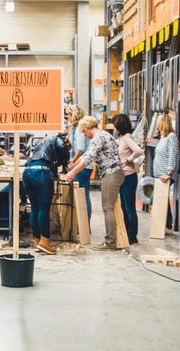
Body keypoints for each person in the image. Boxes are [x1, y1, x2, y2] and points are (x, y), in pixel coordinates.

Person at [65, 116, 124, 251]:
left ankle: (110, 242)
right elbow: (86, 156)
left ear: (87, 128)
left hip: (111, 173)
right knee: (109, 207)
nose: (84, 134)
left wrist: (72, 172)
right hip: (113, 173)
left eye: (84, 131)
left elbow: (88, 158)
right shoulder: (103, 135)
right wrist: (74, 166)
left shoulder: (98, 137)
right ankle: (111, 240)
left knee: (107, 207)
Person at [22, 134, 70, 254]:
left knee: (35, 209)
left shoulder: (41, 145)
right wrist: (66, 160)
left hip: (27, 172)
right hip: (41, 173)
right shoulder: (58, 139)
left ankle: (36, 241)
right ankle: (45, 241)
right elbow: (62, 147)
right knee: (43, 209)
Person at [111, 113, 143, 244]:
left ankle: (132, 236)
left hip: (129, 177)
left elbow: (139, 151)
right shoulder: (123, 138)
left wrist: (129, 160)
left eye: (114, 125)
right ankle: (127, 234)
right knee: (124, 206)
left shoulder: (127, 138)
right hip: (123, 176)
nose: (113, 128)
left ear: (120, 126)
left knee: (129, 207)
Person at [65, 105, 93, 221]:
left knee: (82, 196)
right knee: (82, 195)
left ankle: (85, 224)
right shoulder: (75, 128)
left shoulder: (78, 129)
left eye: (68, 114)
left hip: (82, 167)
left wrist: (73, 162)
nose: (67, 117)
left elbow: (80, 149)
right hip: (82, 166)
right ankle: (82, 224)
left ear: (74, 115)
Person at [152, 113, 179, 228]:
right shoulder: (163, 137)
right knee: (162, 200)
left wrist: (169, 173)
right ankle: (165, 225)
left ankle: (167, 225)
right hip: (159, 174)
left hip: (165, 175)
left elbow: (173, 154)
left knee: (159, 199)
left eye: (158, 123)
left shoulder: (171, 137)